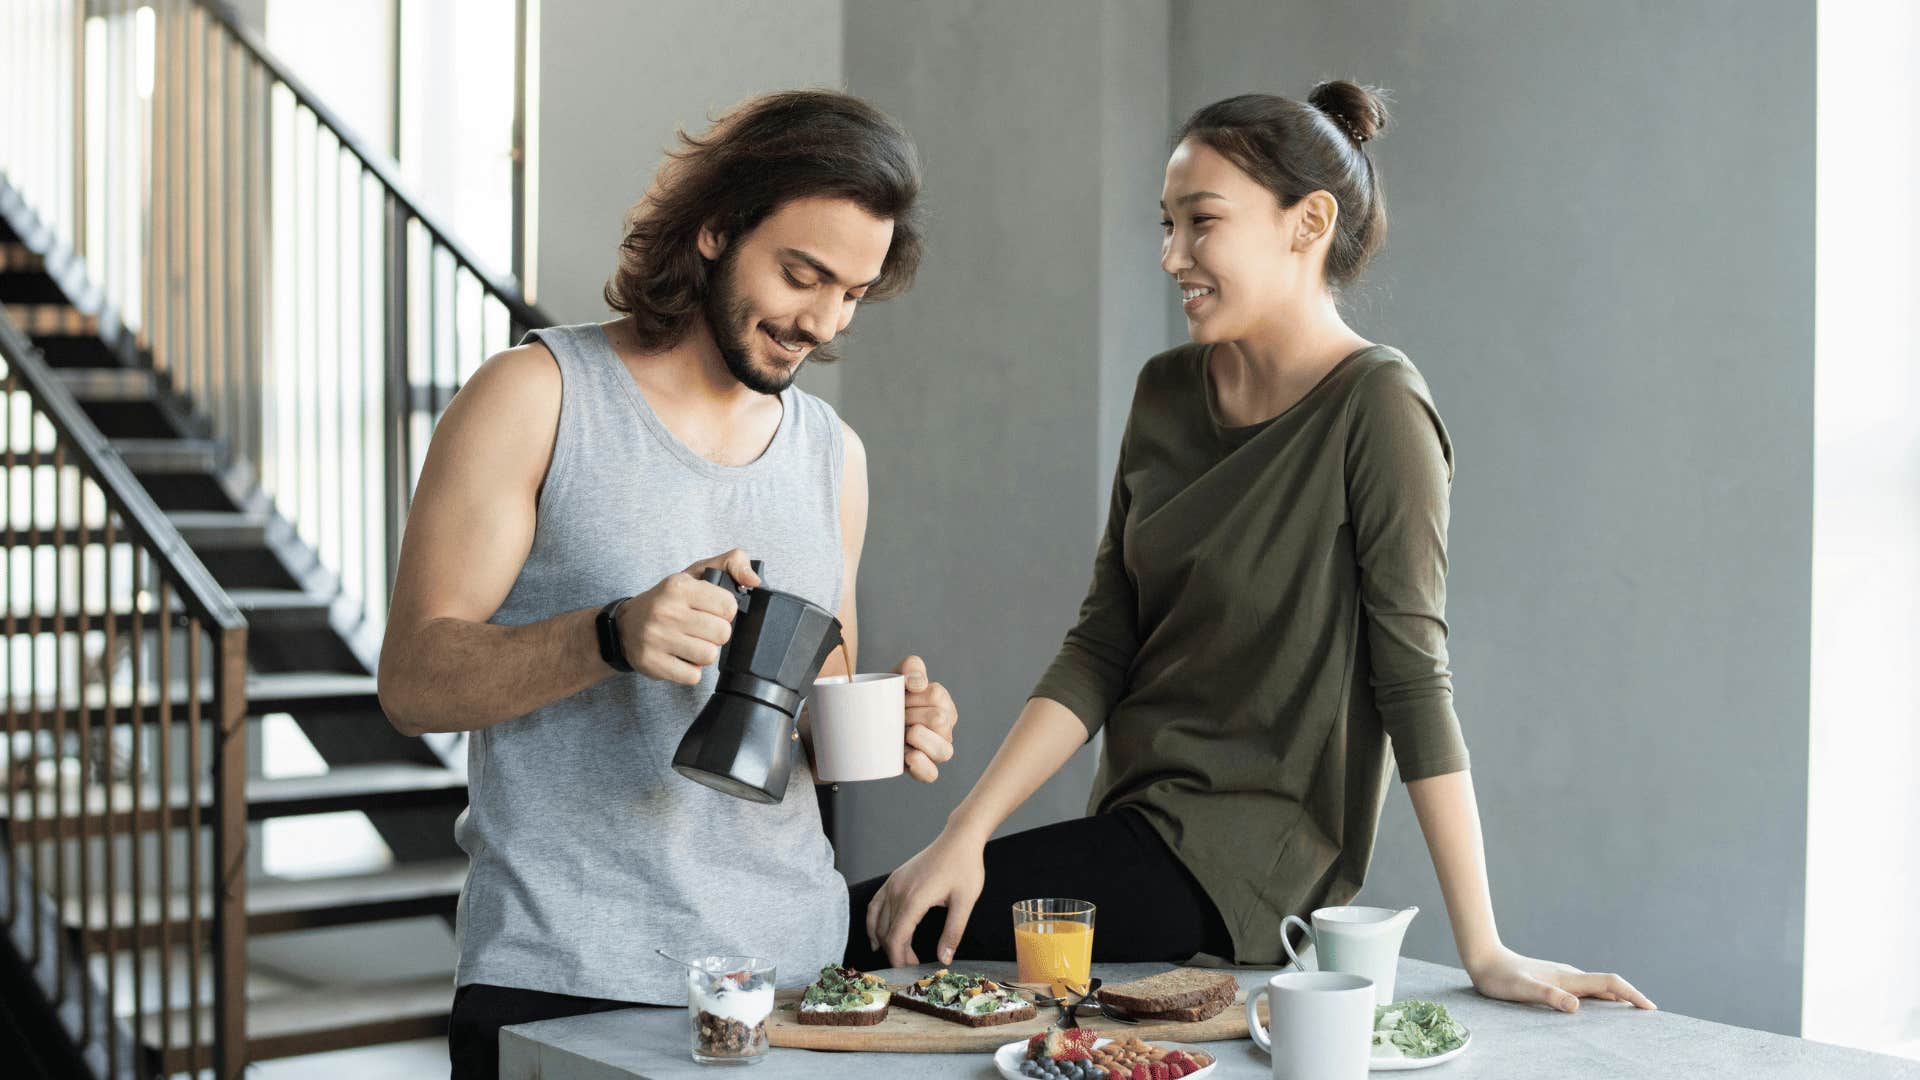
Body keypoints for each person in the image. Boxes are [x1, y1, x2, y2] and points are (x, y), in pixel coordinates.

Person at [848, 82, 1653, 1016]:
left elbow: (1413, 680)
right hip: (1135, 836)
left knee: (864, 927)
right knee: (890, 926)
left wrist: (1484, 946)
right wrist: (966, 833)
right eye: (1165, 225)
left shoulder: (1378, 408)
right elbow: (1101, 645)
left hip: (1242, 878)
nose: (1170, 255)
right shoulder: (1164, 393)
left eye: (1201, 223)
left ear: (1308, 222)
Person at [374, 90, 961, 1080]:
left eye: (853, 293)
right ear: (716, 227)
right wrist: (607, 636)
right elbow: (414, 681)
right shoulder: (537, 396)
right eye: (801, 275)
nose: (821, 320)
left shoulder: (835, 456)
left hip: (799, 979)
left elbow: (815, 704)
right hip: (568, 975)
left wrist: (888, 720)